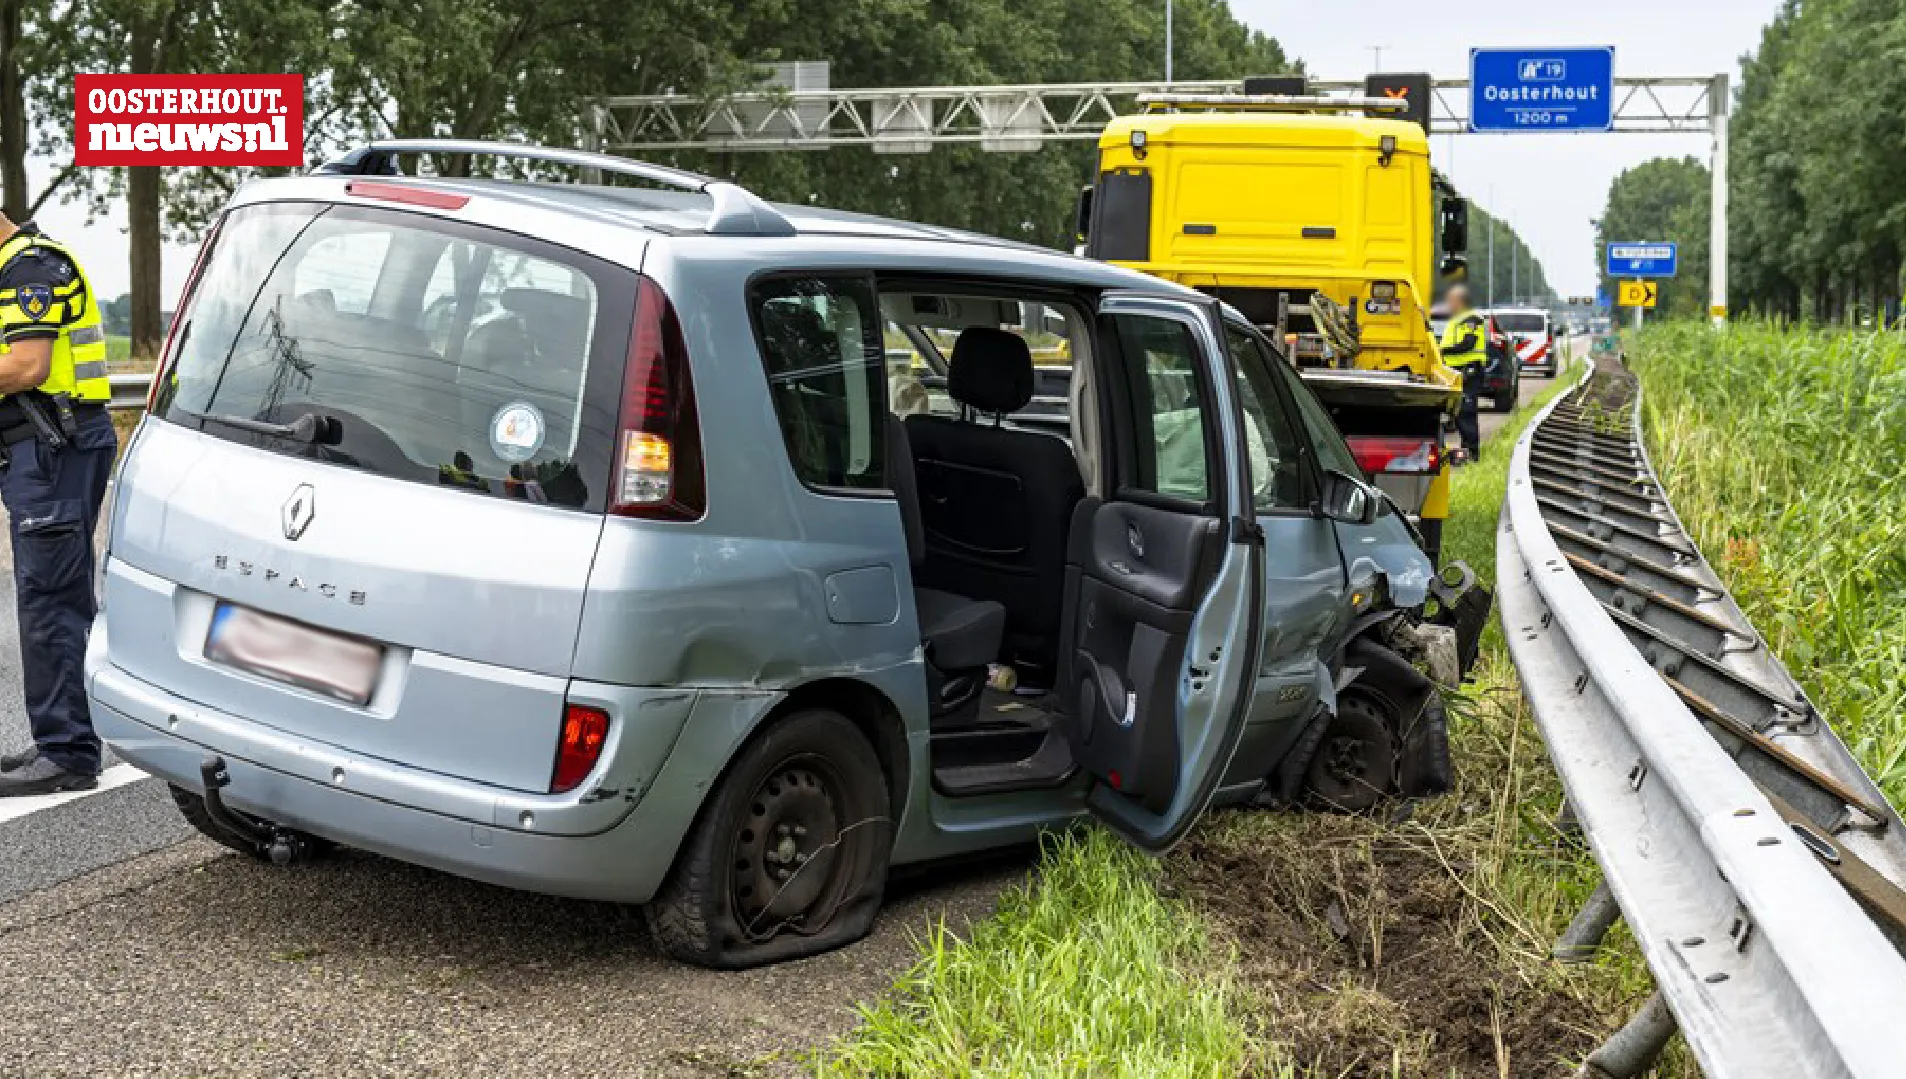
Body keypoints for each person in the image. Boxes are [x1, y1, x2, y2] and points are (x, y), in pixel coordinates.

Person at [0, 212, 119, 796]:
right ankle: (60, 739)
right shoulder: (17, 266)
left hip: (55, 450)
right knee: (49, 598)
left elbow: (27, 366)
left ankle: (68, 753)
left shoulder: (28, 270)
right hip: (46, 450)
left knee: (52, 601)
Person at [1437, 284, 1487, 463]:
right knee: (1459, 412)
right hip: (1458, 372)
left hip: (1469, 371)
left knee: (1466, 412)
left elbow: (1468, 343)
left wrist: (1443, 351)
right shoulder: (1458, 318)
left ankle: (1473, 454)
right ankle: (1467, 451)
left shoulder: (1470, 318)